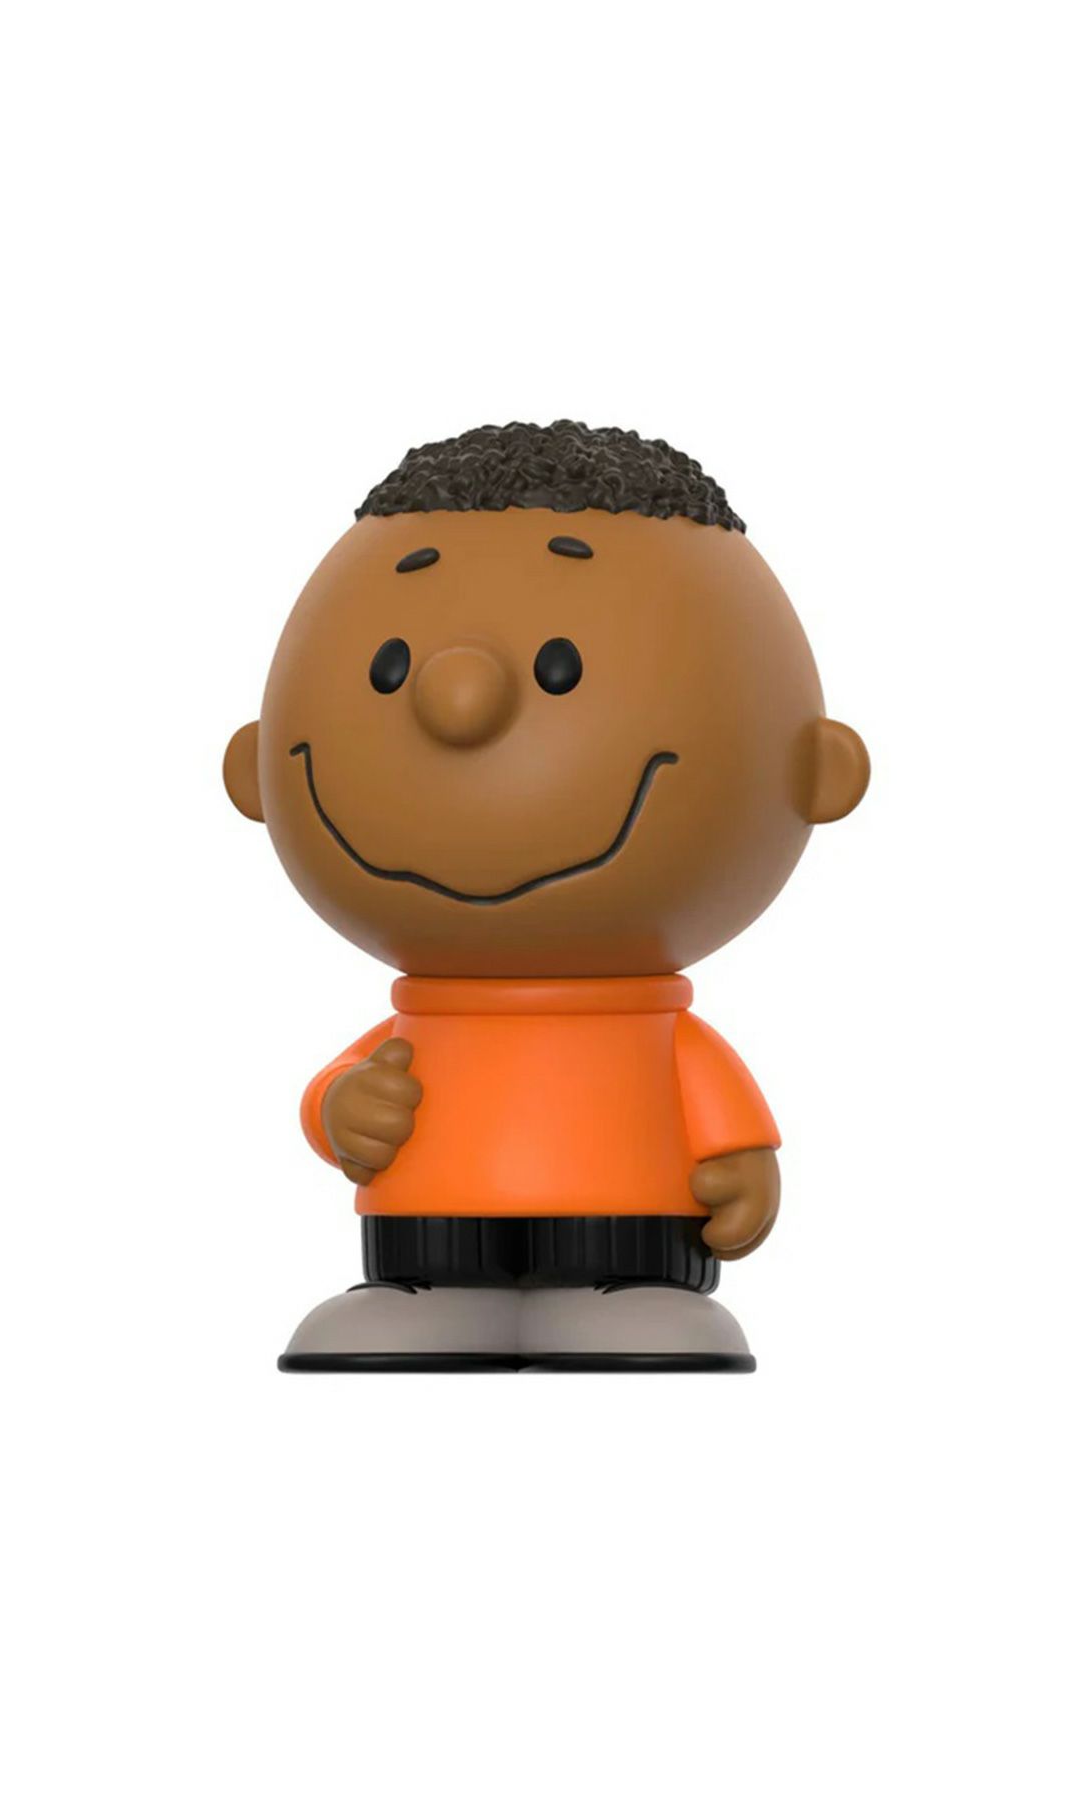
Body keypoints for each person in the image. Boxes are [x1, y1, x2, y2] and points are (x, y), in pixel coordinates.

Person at [223, 421, 869, 1370]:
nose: (459, 703)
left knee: (630, 1297)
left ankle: (629, 1291)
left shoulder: (660, 1034)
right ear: (255, 772)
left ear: (817, 773)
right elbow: (340, 1090)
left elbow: (713, 1101)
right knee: (424, 1280)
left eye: (562, 669)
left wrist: (741, 1166)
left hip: (630, 1226)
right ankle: (425, 1294)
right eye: (388, 668)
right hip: (428, 1229)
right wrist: (339, 1106)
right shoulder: (417, 1023)